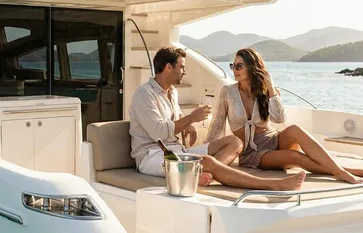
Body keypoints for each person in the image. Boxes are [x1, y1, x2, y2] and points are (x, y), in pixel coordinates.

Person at [130, 47, 305, 191]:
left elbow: (174, 115)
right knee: (206, 162)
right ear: (169, 67)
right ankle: (272, 185)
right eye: (182, 67)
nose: (184, 72)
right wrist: (191, 118)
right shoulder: (144, 94)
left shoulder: (172, 92)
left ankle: (205, 174)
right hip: (153, 155)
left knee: (234, 142)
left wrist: (186, 124)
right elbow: (158, 132)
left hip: (177, 149)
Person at [206, 48, 363, 184]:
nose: (234, 70)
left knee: (294, 130)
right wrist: (207, 150)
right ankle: (349, 172)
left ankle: (341, 171)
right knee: (296, 157)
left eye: (239, 66)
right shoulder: (227, 92)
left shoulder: (266, 92)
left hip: (271, 139)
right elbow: (217, 124)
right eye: (233, 65)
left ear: (252, 68)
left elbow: (279, 119)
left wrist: (270, 89)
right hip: (251, 152)